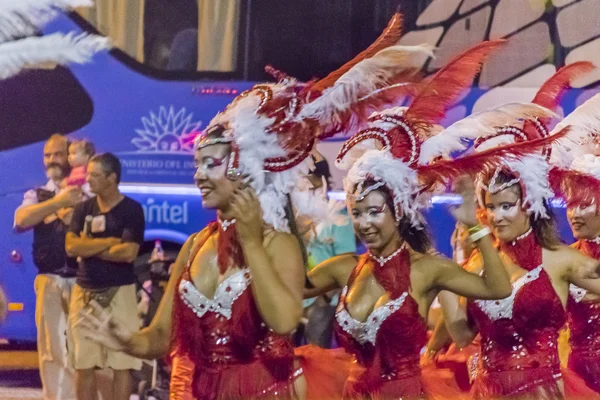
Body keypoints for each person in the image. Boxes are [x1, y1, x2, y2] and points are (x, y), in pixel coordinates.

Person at [76, 12, 441, 399]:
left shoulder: (275, 243)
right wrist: (126, 341)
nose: (199, 175)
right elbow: (162, 337)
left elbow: (284, 319)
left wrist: (250, 241)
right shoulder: (194, 246)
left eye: (211, 165)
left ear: (245, 170)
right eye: (198, 164)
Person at [304, 40, 534, 399]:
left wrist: (475, 224)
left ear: (398, 212)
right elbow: (286, 293)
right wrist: (281, 217)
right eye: (358, 212)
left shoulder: (426, 269)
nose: (364, 222)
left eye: (375, 212)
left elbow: (497, 289)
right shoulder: (343, 269)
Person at [432, 74, 600, 398]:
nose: (497, 216)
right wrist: (444, 284)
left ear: (529, 204)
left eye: (507, 205)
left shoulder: (559, 259)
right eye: (490, 206)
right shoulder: (477, 262)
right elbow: (462, 335)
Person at [66, 153, 145, 400]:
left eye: (95, 175)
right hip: (84, 292)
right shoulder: (82, 209)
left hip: (120, 292)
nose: (88, 179)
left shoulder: (132, 210)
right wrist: (110, 242)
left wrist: (89, 246)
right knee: (83, 362)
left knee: (122, 362)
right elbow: (71, 247)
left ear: (112, 178)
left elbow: (128, 253)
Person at [13, 133, 81, 400]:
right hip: (49, 280)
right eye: (47, 155)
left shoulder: (85, 190)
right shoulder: (37, 193)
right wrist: (58, 202)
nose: (52, 160)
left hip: (82, 281)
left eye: (58, 154)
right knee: (50, 351)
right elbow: (21, 220)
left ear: (70, 156)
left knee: (80, 350)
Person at [546, 92, 600, 393]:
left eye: (584, 204)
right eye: (570, 203)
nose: (574, 214)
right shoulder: (562, 260)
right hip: (579, 380)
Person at [298, 151, 357, 348]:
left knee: (316, 358)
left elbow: (346, 262)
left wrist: (323, 298)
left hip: (322, 301)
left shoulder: (339, 215)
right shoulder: (293, 215)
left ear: (318, 179)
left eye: (304, 175)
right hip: (292, 299)